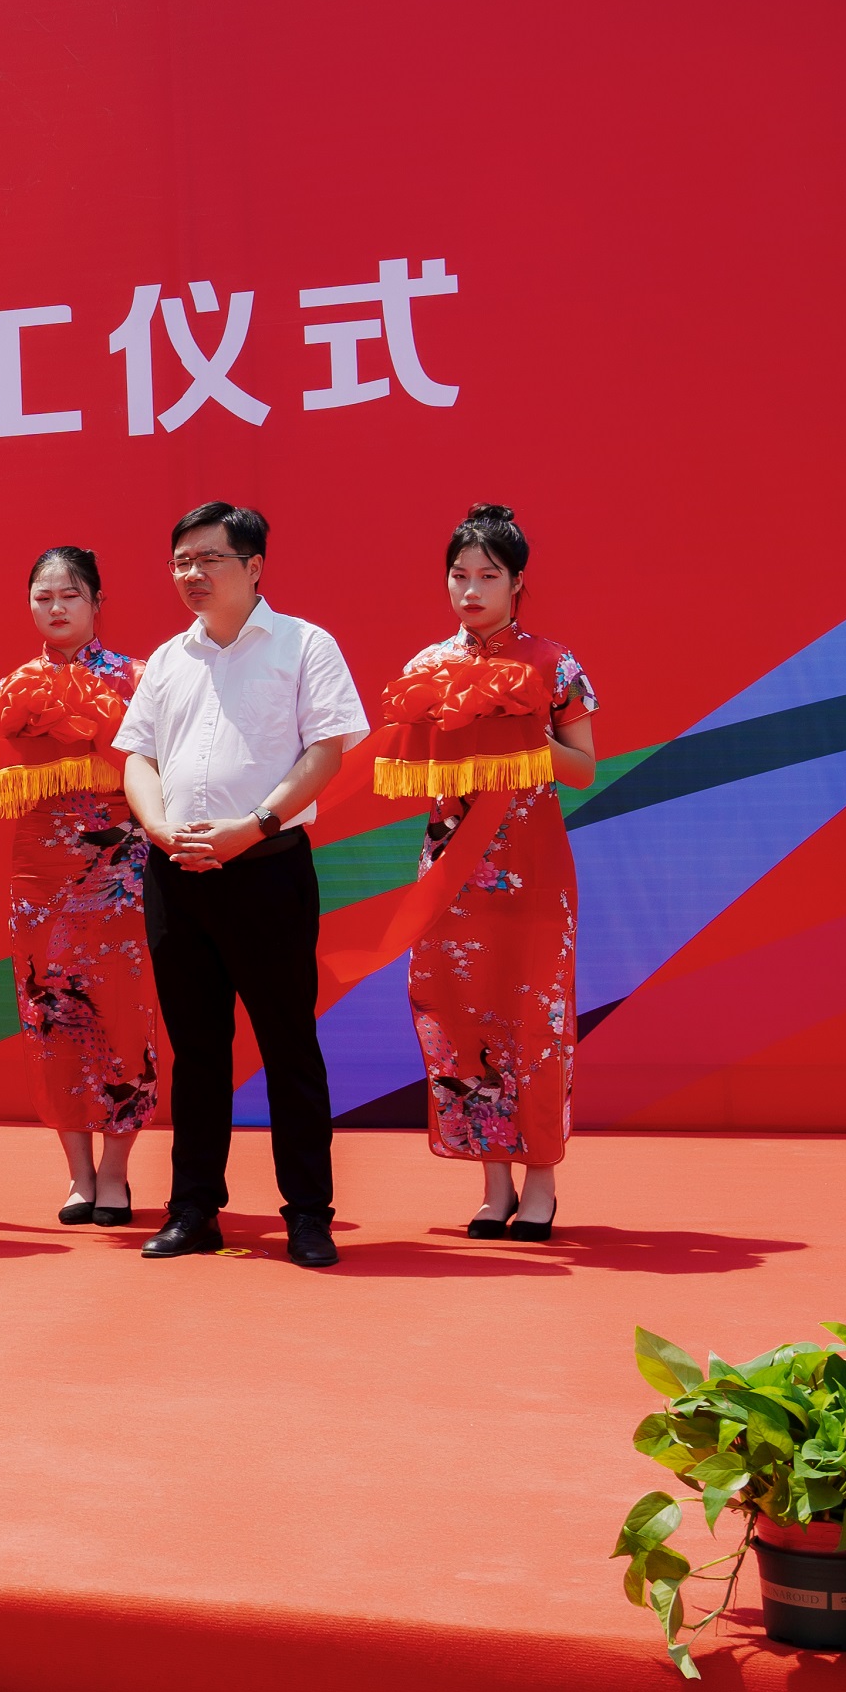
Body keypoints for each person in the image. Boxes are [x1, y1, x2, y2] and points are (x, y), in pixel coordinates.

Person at [115, 500, 370, 1268]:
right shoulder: (168, 659)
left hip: (265, 870)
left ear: (254, 566)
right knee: (196, 1050)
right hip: (176, 875)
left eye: (208, 559)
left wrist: (254, 825)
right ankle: (194, 1208)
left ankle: (308, 1213)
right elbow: (138, 757)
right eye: (180, 561)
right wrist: (158, 827)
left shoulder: (302, 645)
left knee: (288, 1044)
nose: (191, 574)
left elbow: (326, 750)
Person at [383, 504, 598, 1240]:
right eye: (459, 575)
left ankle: (541, 1180)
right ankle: (493, 1183)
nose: (471, 590)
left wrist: (523, 735)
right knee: (460, 1015)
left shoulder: (553, 664)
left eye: (488, 576)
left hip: (532, 872)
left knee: (534, 1021)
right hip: (452, 873)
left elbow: (583, 768)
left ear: (517, 583)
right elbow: (405, 772)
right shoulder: (426, 669)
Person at [0, 548, 161, 1225]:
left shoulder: (137, 678)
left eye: (70, 595)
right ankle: (78, 1175)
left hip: (121, 869)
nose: (56, 607)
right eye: (43, 597)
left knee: (123, 1012)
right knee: (51, 1012)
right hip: (39, 870)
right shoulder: (15, 687)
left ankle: (116, 1173)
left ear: (97, 602)